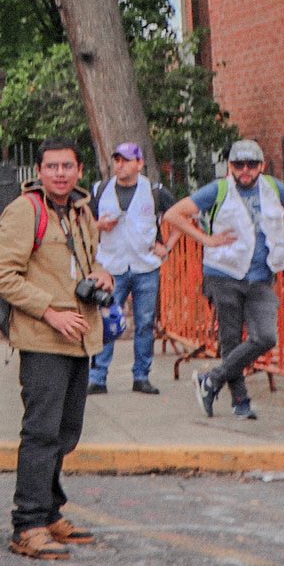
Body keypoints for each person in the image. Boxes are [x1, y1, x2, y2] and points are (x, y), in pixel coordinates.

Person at [0, 139, 110, 560]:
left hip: (80, 338)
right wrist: (50, 312)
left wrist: (103, 275)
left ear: (79, 171)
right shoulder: (25, 211)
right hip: (44, 339)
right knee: (41, 433)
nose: (60, 173)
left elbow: (87, 262)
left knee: (65, 433)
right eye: (52, 166)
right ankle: (27, 524)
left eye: (67, 166)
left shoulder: (80, 211)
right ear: (39, 172)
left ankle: (50, 511)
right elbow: (2, 274)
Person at [168, 138, 284, 421]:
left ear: (262, 166)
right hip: (224, 274)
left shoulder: (273, 188)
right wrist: (206, 239)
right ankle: (241, 401)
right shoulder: (218, 190)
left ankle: (211, 379)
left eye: (252, 164)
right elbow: (174, 214)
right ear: (230, 166)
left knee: (265, 337)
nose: (245, 170)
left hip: (261, 276)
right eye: (239, 164)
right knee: (231, 340)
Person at [86, 143, 174, 396]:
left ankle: (141, 376)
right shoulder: (100, 190)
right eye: (116, 160)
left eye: (125, 160)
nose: (120, 165)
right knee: (106, 319)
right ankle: (97, 377)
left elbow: (182, 215)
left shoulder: (154, 191)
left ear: (139, 163)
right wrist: (98, 226)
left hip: (145, 266)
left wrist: (167, 245)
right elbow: (81, 221)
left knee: (145, 323)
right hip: (111, 266)